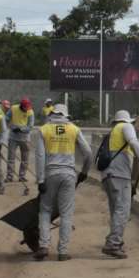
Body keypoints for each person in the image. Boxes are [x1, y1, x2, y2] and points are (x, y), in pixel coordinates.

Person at [31, 103, 90, 260]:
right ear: (65, 115)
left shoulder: (44, 129)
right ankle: (63, 252)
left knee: (45, 211)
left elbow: (39, 157)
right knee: (66, 213)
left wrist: (40, 180)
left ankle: (43, 246)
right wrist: (84, 172)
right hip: (69, 175)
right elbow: (88, 153)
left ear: (52, 114)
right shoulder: (74, 129)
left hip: (50, 174)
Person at [100, 108, 139, 259]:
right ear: (128, 121)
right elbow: (134, 142)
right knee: (123, 210)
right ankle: (113, 243)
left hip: (107, 176)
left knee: (115, 210)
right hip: (120, 175)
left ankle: (113, 240)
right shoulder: (126, 127)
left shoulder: (112, 132)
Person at [7, 98, 35, 192]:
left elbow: (30, 126)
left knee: (25, 158)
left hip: (25, 138)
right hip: (13, 137)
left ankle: (22, 176)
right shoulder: (13, 108)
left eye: (28, 107)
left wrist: (21, 129)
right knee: (11, 158)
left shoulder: (30, 112)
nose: (27, 109)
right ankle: (9, 176)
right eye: (25, 107)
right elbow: (6, 119)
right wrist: (11, 127)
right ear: (21, 106)